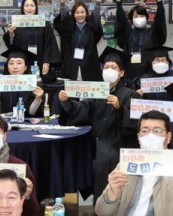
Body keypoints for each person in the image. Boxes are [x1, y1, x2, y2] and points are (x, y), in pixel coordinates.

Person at [58, 47, 141, 201]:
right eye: (106, 67)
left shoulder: (130, 94)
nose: (109, 70)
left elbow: (136, 122)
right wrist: (67, 101)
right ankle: (99, 205)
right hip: (97, 142)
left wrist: (119, 107)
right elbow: (82, 110)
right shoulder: (97, 91)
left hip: (118, 144)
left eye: (114, 67)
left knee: (109, 164)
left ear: (121, 73)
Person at [3, 0, 61, 78]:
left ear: (36, 7)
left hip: (40, 60)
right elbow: (12, 46)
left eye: (32, 6)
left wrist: (47, 62)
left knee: (39, 84)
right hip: (23, 62)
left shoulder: (44, 24)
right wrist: (11, 33)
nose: (29, 8)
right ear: (22, 8)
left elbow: (49, 43)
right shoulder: (16, 23)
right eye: (26, 6)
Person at [114, 1, 166, 87]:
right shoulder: (127, 33)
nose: (139, 18)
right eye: (136, 16)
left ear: (146, 17)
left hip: (148, 73)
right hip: (129, 74)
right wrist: (119, 5)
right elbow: (121, 21)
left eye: (142, 16)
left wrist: (160, 4)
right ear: (131, 19)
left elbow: (159, 22)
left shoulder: (152, 33)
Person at [54, 0, 103, 81]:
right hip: (71, 66)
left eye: (82, 12)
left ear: (86, 14)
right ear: (73, 15)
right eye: (77, 12)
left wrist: (98, 3)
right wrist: (62, 4)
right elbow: (64, 17)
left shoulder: (92, 28)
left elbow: (96, 17)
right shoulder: (69, 29)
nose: (80, 15)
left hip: (89, 66)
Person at [0, 47, 44, 117]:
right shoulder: (0, 84)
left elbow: (32, 113)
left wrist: (38, 98)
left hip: (26, 122)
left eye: (19, 63)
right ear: (7, 67)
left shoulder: (34, 84)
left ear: (25, 67)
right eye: (11, 63)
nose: (15, 67)